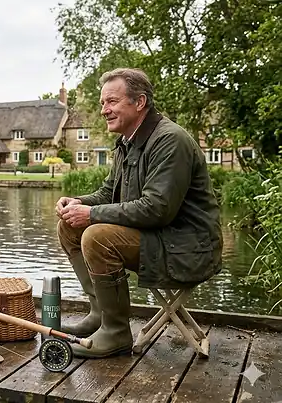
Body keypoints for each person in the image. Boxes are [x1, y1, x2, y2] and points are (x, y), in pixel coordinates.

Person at [55, 68, 223, 358]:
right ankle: (101, 313)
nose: (104, 110)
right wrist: (77, 202)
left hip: (188, 248)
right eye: (102, 103)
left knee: (97, 235)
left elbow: (156, 209)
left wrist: (92, 214)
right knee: (70, 226)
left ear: (140, 102)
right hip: (159, 239)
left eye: (112, 102)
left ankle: (117, 332)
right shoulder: (127, 142)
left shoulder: (170, 141)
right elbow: (109, 194)